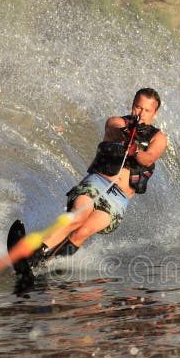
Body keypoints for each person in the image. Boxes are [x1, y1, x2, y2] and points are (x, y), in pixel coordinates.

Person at [28, 88, 167, 265]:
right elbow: (113, 128)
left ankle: (52, 265)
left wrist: (135, 150)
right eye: (138, 108)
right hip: (97, 183)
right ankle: (36, 255)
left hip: (119, 198)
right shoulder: (117, 122)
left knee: (83, 231)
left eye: (147, 110)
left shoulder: (158, 138)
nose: (141, 113)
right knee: (77, 217)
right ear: (132, 106)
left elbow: (148, 159)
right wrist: (126, 134)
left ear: (155, 113)